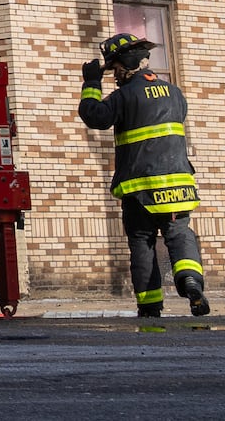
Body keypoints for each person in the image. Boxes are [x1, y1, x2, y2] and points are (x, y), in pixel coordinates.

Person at [79, 32, 209, 318]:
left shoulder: (124, 96)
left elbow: (93, 116)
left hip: (140, 189)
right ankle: (191, 283)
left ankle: (150, 306)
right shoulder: (175, 92)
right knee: (179, 235)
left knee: (142, 242)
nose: (114, 76)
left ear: (123, 66)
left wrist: (91, 82)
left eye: (114, 69)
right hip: (179, 186)